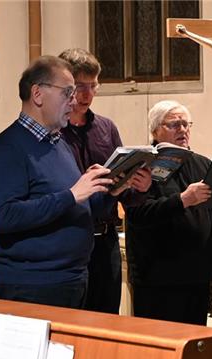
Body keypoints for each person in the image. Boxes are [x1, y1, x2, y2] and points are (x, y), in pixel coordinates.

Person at [0, 56, 146, 309]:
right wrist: (72, 194)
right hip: (34, 284)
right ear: (38, 94)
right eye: (67, 92)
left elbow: (81, 208)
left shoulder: (57, 143)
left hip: (74, 277)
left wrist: (114, 189)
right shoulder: (7, 148)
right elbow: (7, 216)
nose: (74, 100)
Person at [125, 100, 212, 325]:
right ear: (155, 130)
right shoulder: (142, 165)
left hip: (197, 275)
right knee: (159, 347)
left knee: (192, 346)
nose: (183, 130)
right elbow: (138, 215)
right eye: (175, 125)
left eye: (186, 124)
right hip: (158, 277)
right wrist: (183, 200)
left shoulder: (203, 164)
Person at [58, 48, 150, 314]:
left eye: (93, 86)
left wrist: (140, 187)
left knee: (107, 317)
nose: (87, 95)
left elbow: (123, 189)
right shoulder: (54, 131)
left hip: (105, 240)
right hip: (70, 239)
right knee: (73, 318)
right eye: (79, 86)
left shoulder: (106, 128)